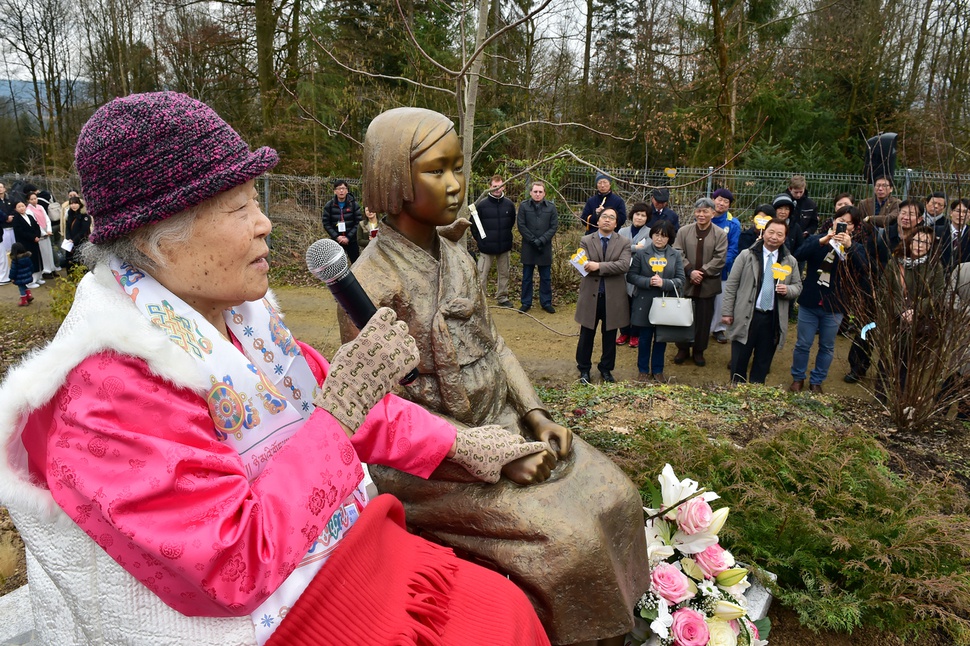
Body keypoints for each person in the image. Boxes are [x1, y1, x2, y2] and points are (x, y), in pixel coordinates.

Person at [0, 92, 553, 646]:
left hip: (344, 555)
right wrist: (335, 416)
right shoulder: (110, 387)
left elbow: (349, 402)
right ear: (157, 236)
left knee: (506, 607)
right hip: (278, 617)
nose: (265, 224)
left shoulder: (237, 316)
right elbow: (234, 562)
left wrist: (465, 446)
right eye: (240, 208)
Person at [342, 107, 649, 646]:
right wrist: (492, 456)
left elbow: (494, 343)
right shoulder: (367, 281)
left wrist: (533, 411)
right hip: (435, 460)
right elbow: (383, 412)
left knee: (616, 495)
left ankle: (625, 627)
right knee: (568, 539)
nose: (457, 185)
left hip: (504, 419)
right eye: (437, 170)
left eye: (459, 167)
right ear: (393, 177)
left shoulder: (457, 251)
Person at [789, 206, 865, 393]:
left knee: (827, 346)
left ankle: (817, 381)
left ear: (853, 228)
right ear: (833, 221)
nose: (842, 225)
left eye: (847, 223)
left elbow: (865, 269)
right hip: (810, 300)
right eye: (840, 220)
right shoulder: (818, 240)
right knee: (803, 343)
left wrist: (850, 247)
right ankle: (798, 378)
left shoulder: (856, 248)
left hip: (835, 304)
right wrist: (822, 241)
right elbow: (797, 255)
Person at [721, 218, 802, 384]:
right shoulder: (747, 255)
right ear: (763, 232)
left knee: (763, 362)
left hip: (772, 318)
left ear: (784, 238)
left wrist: (788, 290)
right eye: (771, 232)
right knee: (739, 360)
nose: (774, 237)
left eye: (779, 234)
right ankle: (736, 393)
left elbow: (798, 286)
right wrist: (727, 312)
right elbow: (731, 285)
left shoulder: (789, 261)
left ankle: (756, 395)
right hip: (746, 315)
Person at [875, 225, 945, 398]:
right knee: (887, 357)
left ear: (930, 246)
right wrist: (900, 310)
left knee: (907, 362)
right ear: (910, 240)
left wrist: (916, 311)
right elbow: (885, 289)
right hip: (892, 318)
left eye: (925, 242)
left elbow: (937, 294)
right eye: (917, 240)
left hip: (917, 322)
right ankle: (880, 397)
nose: (920, 245)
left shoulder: (935, 267)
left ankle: (900, 399)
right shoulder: (895, 261)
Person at [575, 208, 631, 384]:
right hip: (590, 295)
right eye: (604, 217)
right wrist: (594, 266)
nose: (607, 220)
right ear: (598, 221)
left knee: (609, 335)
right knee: (586, 335)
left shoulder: (624, 242)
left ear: (616, 223)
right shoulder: (586, 240)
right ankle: (584, 369)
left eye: (611, 218)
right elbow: (581, 265)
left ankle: (606, 369)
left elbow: (623, 266)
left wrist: (597, 266)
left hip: (612, 297)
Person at [626, 220, 685, 382]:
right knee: (644, 337)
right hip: (645, 301)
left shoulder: (675, 255)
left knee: (661, 338)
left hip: (665, 302)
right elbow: (631, 276)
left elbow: (681, 279)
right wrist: (648, 281)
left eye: (664, 236)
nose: (659, 239)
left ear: (669, 238)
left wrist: (664, 283)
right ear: (652, 235)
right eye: (657, 235)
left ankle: (658, 370)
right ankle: (643, 370)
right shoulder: (641, 253)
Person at [673, 197, 728, 367]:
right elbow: (677, 251)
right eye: (698, 211)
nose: (701, 214)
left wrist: (702, 272)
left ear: (712, 213)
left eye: (705, 211)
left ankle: (699, 350)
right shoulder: (684, 231)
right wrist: (690, 271)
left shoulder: (719, 233)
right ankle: (682, 348)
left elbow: (720, 257)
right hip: (687, 281)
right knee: (683, 316)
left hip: (707, 283)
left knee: (704, 319)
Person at [473, 174, 517, 308]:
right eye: (494, 187)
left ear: (504, 186)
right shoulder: (481, 205)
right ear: (490, 187)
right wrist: (482, 242)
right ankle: (481, 300)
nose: (497, 189)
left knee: (504, 273)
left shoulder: (509, 205)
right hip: (486, 248)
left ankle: (502, 297)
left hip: (504, 246)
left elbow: (511, 223)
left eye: (500, 186)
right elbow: (475, 225)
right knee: (481, 274)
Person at [517, 181, 559, 313]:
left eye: (540, 192)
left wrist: (541, 240)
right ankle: (526, 302)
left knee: (546, 277)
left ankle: (546, 302)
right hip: (528, 247)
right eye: (535, 191)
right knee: (526, 277)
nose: (537, 194)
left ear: (544, 193)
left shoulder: (551, 208)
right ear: (530, 192)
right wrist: (533, 240)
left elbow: (554, 227)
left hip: (544, 247)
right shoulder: (524, 206)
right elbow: (521, 225)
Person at [616, 202, 652, 348]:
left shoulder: (650, 232)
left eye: (643, 215)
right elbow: (617, 248)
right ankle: (624, 332)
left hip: (639, 272)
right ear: (632, 215)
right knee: (622, 304)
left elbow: (647, 250)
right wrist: (635, 247)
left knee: (637, 304)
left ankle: (635, 334)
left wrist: (628, 248)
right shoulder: (622, 231)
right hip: (621, 272)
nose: (639, 217)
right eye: (637, 214)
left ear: (647, 218)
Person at [710, 187, 741, 344]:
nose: (721, 203)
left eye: (725, 201)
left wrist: (719, 265)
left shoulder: (733, 224)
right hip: (701, 269)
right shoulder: (703, 217)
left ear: (729, 205)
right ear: (713, 199)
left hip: (722, 270)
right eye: (719, 199)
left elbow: (733, 249)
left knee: (720, 301)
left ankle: (719, 329)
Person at [321, 179, 363, 263]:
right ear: (334, 191)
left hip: (352, 241)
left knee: (356, 263)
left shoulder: (354, 205)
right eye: (338, 188)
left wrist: (348, 237)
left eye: (343, 188)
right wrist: (337, 237)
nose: (341, 191)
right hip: (336, 242)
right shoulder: (329, 206)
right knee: (337, 265)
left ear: (347, 190)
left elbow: (358, 222)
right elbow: (326, 223)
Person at [11, 201, 42, 288]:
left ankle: (38, 277)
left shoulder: (29, 216)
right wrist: (32, 237)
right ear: (16, 209)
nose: (21, 208)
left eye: (23, 206)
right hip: (25, 242)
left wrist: (37, 235)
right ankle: (30, 281)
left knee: (37, 258)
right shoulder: (16, 219)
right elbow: (20, 231)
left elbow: (37, 226)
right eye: (19, 207)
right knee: (29, 260)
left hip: (34, 241)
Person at [26, 192, 57, 278]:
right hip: (40, 233)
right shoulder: (28, 210)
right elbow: (35, 223)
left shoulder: (40, 207)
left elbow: (47, 218)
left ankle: (52, 268)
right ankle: (46, 271)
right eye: (31, 199)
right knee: (43, 252)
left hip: (46, 230)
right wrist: (43, 233)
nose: (34, 201)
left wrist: (49, 230)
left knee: (49, 251)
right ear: (28, 200)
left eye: (35, 198)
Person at [936, 198, 970, 271]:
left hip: (964, 276)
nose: (961, 215)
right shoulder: (937, 231)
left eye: (965, 212)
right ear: (951, 212)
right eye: (958, 211)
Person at [63, 196, 91, 270]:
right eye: (71, 204)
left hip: (81, 242)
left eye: (75, 203)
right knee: (70, 261)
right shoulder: (69, 215)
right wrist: (69, 238)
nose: (73, 205)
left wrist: (74, 240)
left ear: (79, 204)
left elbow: (84, 230)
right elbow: (67, 228)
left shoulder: (85, 216)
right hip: (70, 243)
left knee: (81, 261)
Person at [0, 183, 14, 284]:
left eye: (1, 187)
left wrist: (11, 217)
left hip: (11, 227)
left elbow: (14, 208)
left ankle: (11, 272)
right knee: (3, 253)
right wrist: (5, 218)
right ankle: (3, 276)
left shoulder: (10, 199)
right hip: (2, 228)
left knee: (12, 250)